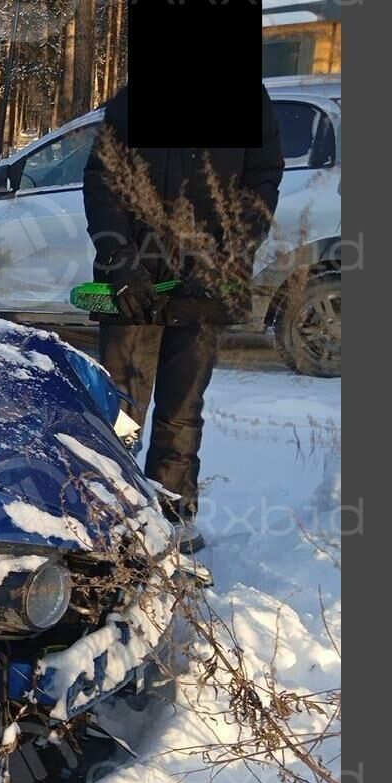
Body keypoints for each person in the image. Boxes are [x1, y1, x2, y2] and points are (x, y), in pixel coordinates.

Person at [80, 83, 282, 552]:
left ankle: (171, 519)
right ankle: (110, 517)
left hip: (205, 287)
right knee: (119, 411)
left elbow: (262, 183)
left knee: (182, 410)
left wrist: (224, 260)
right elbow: (103, 178)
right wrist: (118, 257)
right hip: (134, 286)